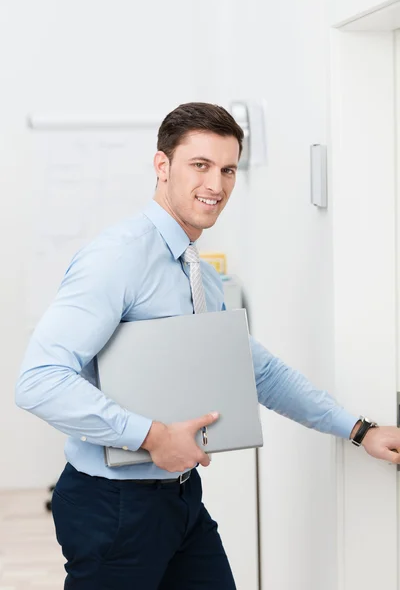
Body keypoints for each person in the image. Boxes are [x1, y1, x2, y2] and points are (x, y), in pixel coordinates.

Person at [15, 102, 400, 590]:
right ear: (162, 166)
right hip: (112, 508)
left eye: (227, 169)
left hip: (180, 498)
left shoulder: (199, 272)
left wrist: (358, 429)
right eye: (200, 165)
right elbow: (40, 382)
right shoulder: (117, 259)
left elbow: (257, 371)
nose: (216, 185)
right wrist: (152, 435)